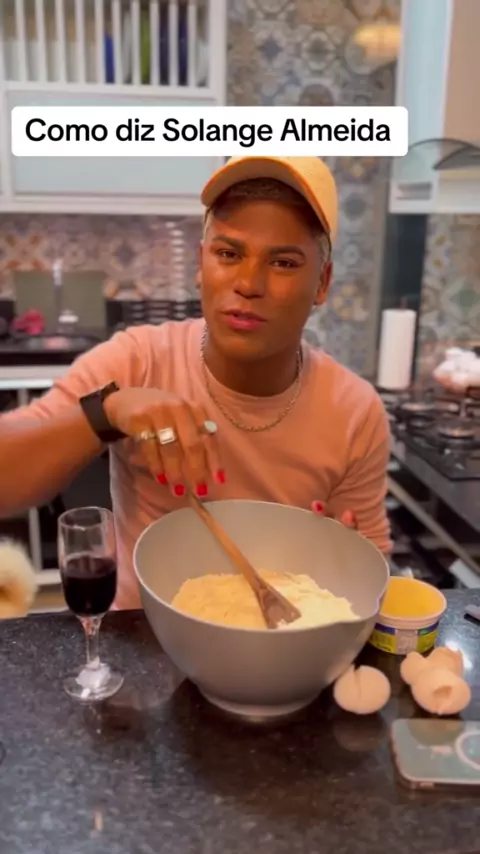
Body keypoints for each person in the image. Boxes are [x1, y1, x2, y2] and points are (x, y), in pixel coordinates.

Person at [0, 156, 392, 609]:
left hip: (285, 635)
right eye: (228, 254)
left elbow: (372, 570)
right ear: (200, 264)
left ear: (322, 282)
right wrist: (106, 412)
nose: (248, 283)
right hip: (143, 633)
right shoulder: (138, 361)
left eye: (284, 262)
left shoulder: (353, 411)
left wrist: (346, 561)